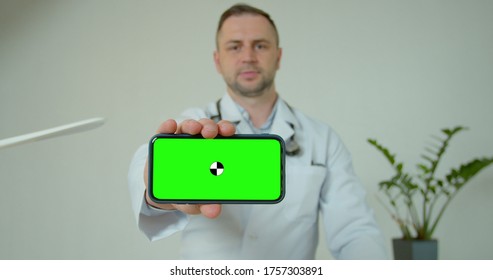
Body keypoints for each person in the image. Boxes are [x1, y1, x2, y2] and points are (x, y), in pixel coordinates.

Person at [128, 3, 388, 259]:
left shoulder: (323, 139)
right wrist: (155, 190)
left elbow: (355, 232)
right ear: (218, 61)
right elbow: (147, 165)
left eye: (260, 45)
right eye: (235, 46)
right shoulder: (194, 126)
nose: (248, 56)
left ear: (278, 56)